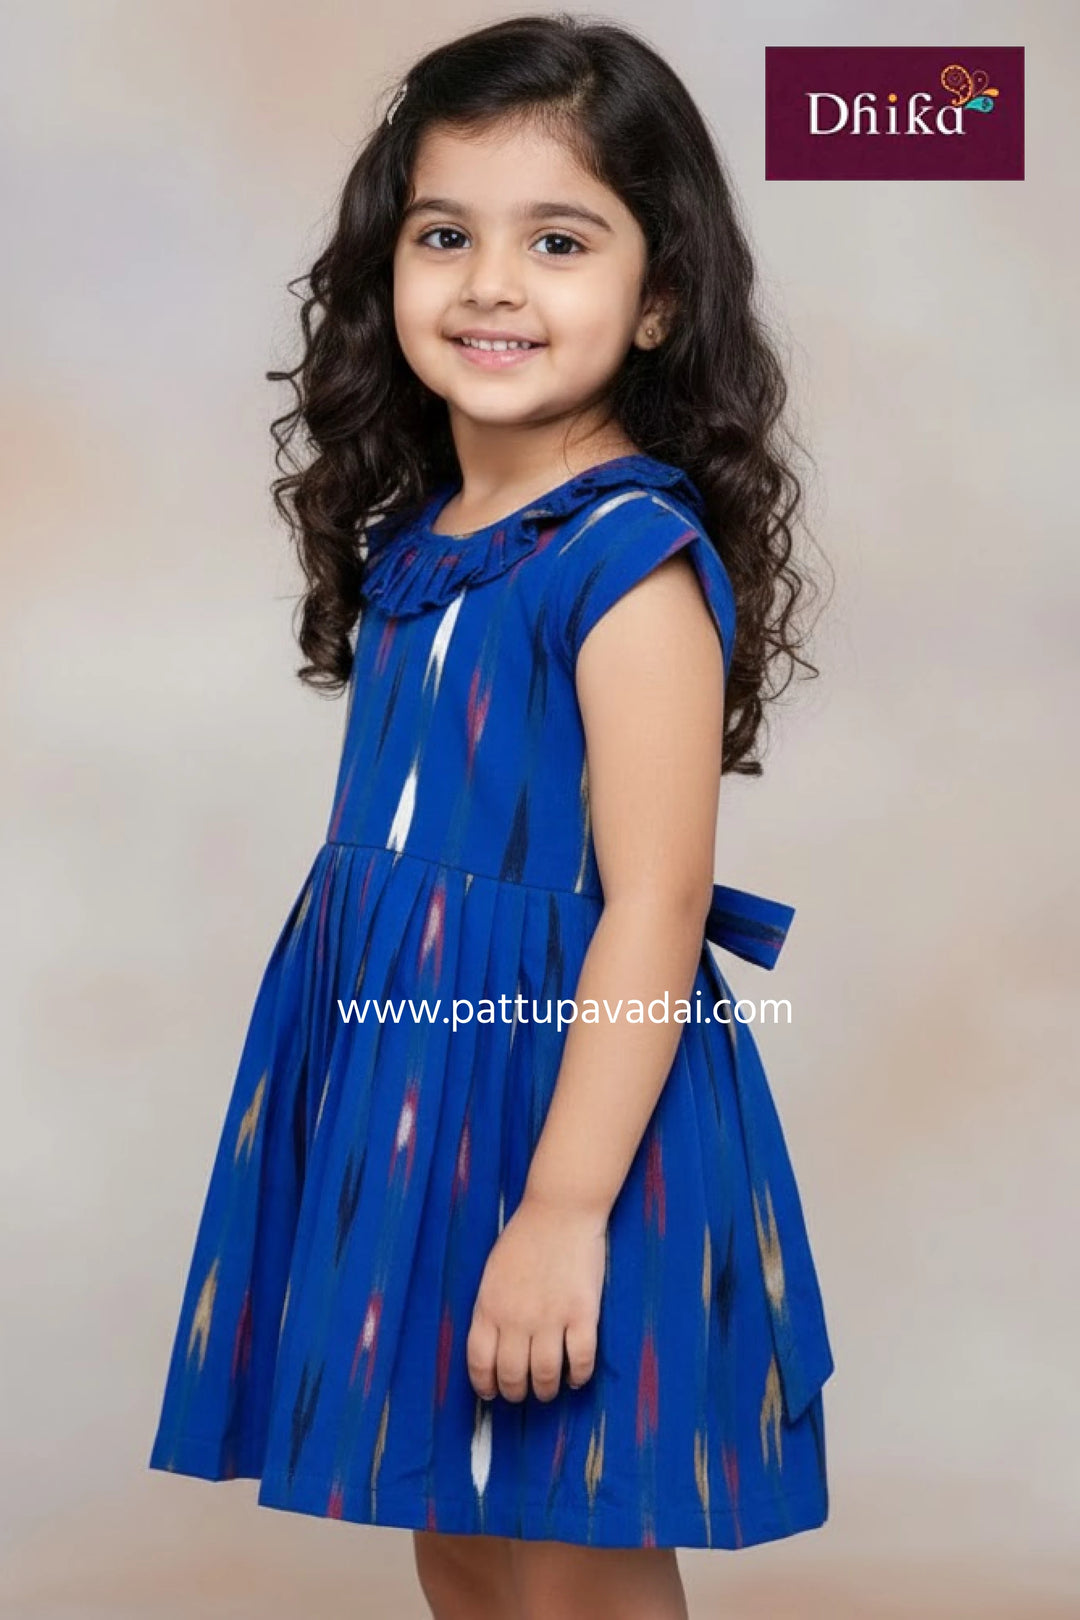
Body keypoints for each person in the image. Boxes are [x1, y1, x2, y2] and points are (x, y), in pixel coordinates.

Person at [148, 14, 836, 1618]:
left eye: (561, 239)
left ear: (660, 295)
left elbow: (657, 906)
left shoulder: (625, 566)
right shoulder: (423, 545)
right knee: (454, 1517)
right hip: (411, 1089)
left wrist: (564, 1208)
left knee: (569, 1539)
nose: (491, 284)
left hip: (560, 1105)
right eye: (446, 234)